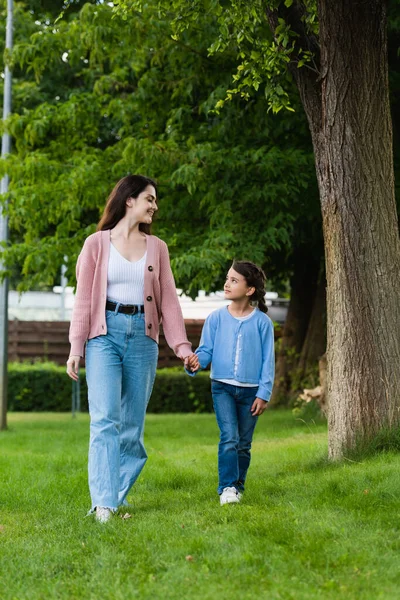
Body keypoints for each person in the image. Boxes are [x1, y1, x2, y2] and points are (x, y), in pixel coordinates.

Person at [66, 174, 196, 523]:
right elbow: (83, 301)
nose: (154, 206)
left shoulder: (158, 248)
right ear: (129, 200)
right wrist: (76, 347)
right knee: (104, 420)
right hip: (103, 336)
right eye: (150, 199)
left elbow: (169, 301)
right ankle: (104, 504)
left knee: (132, 431)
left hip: (143, 337)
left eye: (154, 200)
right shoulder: (96, 244)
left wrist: (182, 347)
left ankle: (113, 496)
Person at [186, 261, 275, 505]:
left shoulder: (262, 323)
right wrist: (195, 362)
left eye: (234, 280)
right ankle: (226, 487)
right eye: (227, 278)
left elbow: (268, 361)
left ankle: (238, 486)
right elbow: (205, 351)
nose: (227, 283)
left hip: (251, 392)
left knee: (244, 444)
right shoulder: (215, 318)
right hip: (222, 387)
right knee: (229, 438)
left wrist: (264, 393)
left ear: (249, 290)